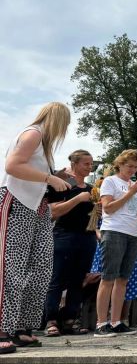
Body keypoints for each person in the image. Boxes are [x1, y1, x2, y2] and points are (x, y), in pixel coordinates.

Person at [0, 102, 71, 354]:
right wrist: (48, 177)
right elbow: (12, 165)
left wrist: (54, 174)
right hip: (17, 202)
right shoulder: (33, 133)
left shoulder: (44, 144)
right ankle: (2, 328)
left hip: (39, 208)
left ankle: (22, 326)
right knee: (12, 267)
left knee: (40, 269)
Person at [94, 149, 137, 337]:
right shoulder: (110, 181)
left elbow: (134, 210)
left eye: (136, 167)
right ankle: (101, 323)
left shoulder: (136, 186)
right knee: (108, 278)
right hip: (114, 231)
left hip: (133, 233)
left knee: (123, 279)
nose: (132, 170)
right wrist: (130, 193)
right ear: (120, 164)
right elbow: (108, 208)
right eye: (129, 166)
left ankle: (116, 321)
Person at [44, 150, 97, 337]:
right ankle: (51, 320)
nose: (90, 167)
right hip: (64, 235)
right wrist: (77, 199)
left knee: (78, 279)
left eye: (91, 164)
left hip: (87, 237)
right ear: (74, 164)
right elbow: (54, 211)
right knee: (57, 279)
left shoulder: (92, 188)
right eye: (86, 164)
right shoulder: (62, 185)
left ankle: (70, 319)